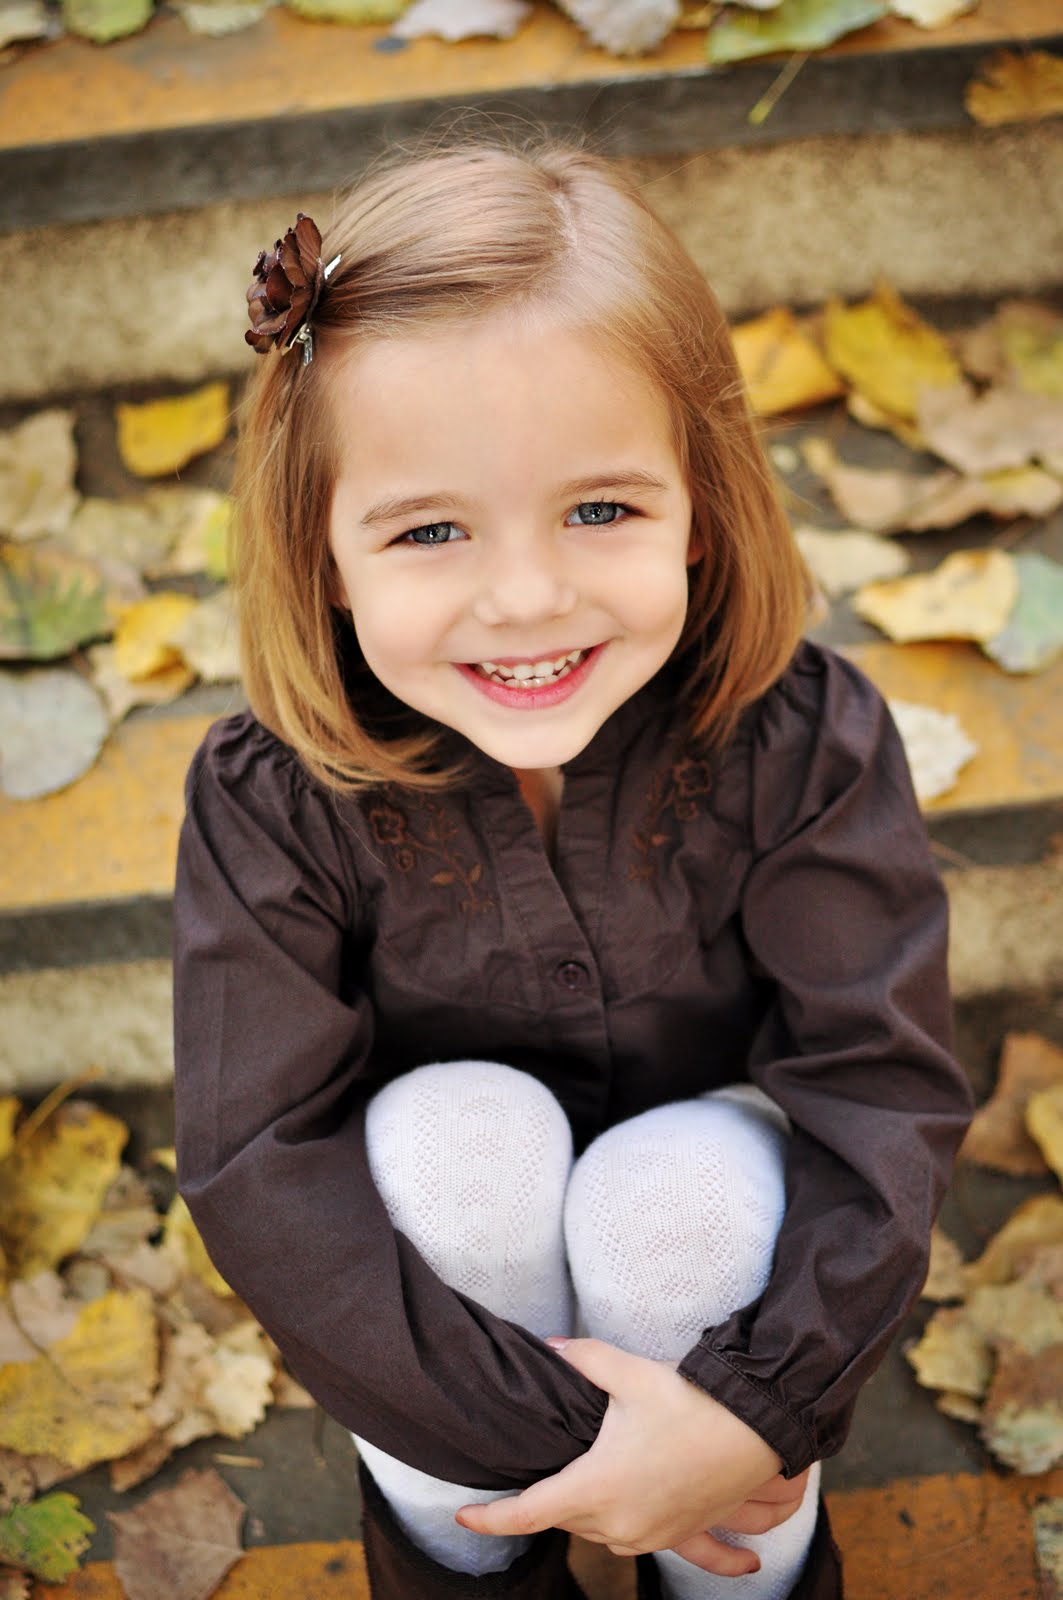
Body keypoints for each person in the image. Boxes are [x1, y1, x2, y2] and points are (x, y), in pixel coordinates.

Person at [173, 139, 973, 1600]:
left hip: (723, 1221)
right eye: (430, 530)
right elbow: (259, 1160)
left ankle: (737, 1572)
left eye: (601, 509)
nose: (528, 597)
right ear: (324, 556)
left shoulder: (800, 737)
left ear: (701, 504)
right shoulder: (272, 797)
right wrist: (598, 1452)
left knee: (674, 1202)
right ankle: (481, 1559)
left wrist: (746, 1415)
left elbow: (882, 1091)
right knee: (448, 1142)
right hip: (453, 1287)